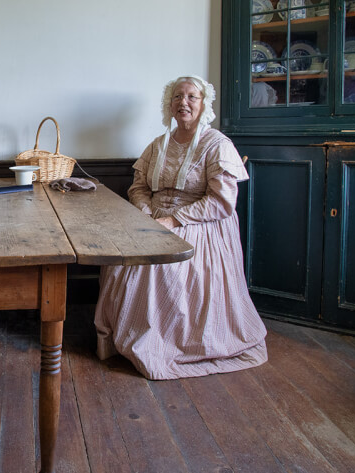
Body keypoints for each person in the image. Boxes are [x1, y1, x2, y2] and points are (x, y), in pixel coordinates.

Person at [94, 75, 268, 380]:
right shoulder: (158, 145)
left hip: (200, 221)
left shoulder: (216, 144)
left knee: (162, 263)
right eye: (177, 97)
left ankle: (172, 341)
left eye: (191, 97)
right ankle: (129, 334)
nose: (183, 103)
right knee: (121, 255)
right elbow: (138, 187)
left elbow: (222, 201)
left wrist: (173, 220)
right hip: (153, 216)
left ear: (204, 105)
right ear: (169, 104)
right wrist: (146, 213)